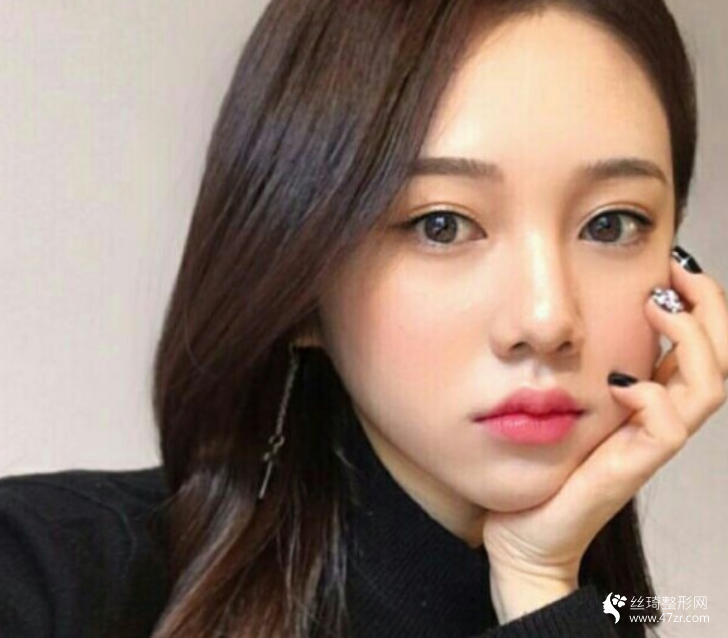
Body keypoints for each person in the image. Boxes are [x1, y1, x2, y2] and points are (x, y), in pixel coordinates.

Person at [1, 0, 726, 637]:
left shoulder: (615, 613)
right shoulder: (45, 573)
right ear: (300, 281)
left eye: (611, 224)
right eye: (442, 224)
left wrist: (541, 586)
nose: (545, 319)